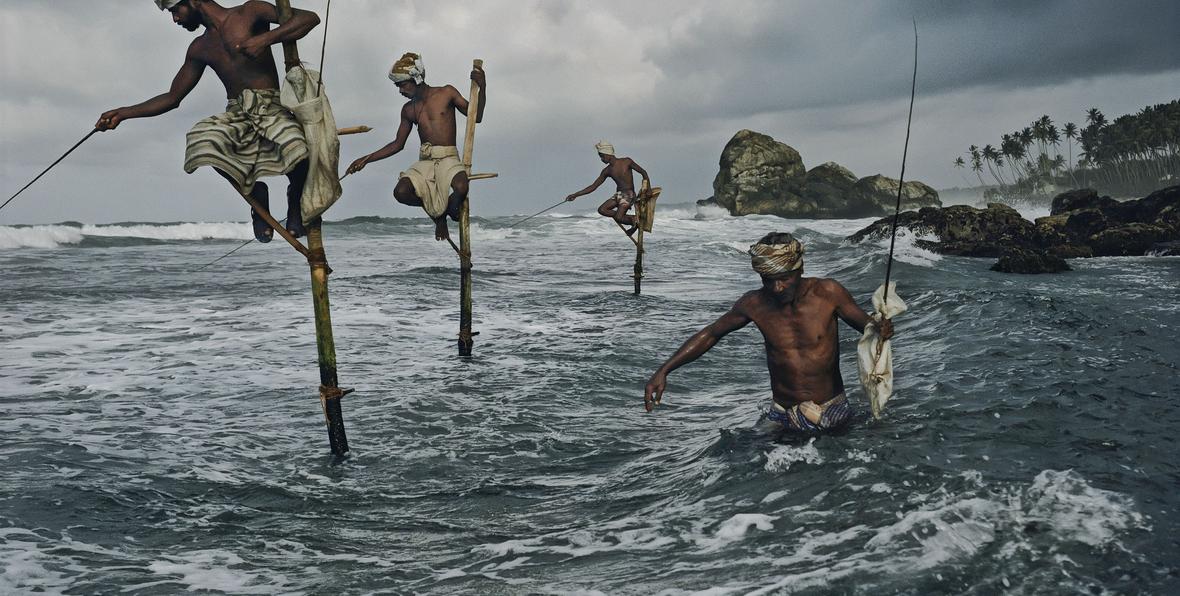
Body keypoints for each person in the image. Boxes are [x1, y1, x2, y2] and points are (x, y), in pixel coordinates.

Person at [96, 0, 321, 243]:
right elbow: (173, 97)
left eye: (175, 11)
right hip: (237, 112)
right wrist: (123, 113)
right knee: (201, 141)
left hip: (272, 107)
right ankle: (256, 195)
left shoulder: (250, 12)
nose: (175, 19)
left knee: (298, 147)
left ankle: (296, 204)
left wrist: (264, 40)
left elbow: (309, 19)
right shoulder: (200, 48)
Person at [643, 232, 895, 434]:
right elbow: (711, 334)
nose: (776, 287)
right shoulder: (753, 304)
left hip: (831, 409)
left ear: (799, 270)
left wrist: (881, 327)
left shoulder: (828, 293)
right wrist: (663, 370)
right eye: (768, 279)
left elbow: (868, 326)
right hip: (782, 412)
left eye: (784, 278)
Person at [346, 53, 487, 242]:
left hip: (448, 158)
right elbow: (398, 144)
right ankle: (439, 218)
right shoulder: (408, 110)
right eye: (398, 86)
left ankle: (446, 212)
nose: (400, 91)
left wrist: (482, 86)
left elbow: (475, 117)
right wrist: (365, 159)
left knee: (461, 187)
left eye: (402, 84)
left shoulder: (446, 92)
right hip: (426, 160)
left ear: (417, 78)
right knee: (401, 192)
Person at [564, 142, 651, 236]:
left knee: (618, 218)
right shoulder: (607, 170)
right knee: (602, 210)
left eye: (602, 156)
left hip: (629, 195)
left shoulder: (626, 161)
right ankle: (632, 219)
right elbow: (593, 186)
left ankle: (632, 221)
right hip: (619, 195)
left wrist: (648, 188)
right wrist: (575, 195)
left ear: (608, 153)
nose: (601, 159)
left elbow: (643, 172)